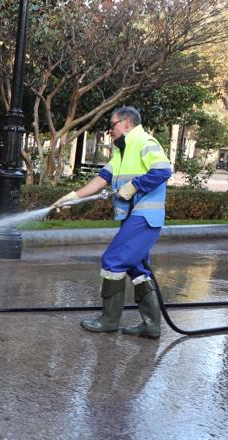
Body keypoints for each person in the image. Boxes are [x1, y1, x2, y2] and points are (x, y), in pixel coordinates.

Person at [52, 106, 173, 339]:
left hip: (145, 217)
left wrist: (133, 186)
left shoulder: (145, 141)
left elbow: (163, 171)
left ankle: (109, 320)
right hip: (133, 218)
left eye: (113, 125)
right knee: (137, 268)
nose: (110, 131)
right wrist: (74, 196)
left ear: (127, 123)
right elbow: (101, 179)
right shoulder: (121, 152)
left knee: (113, 261)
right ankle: (151, 325)